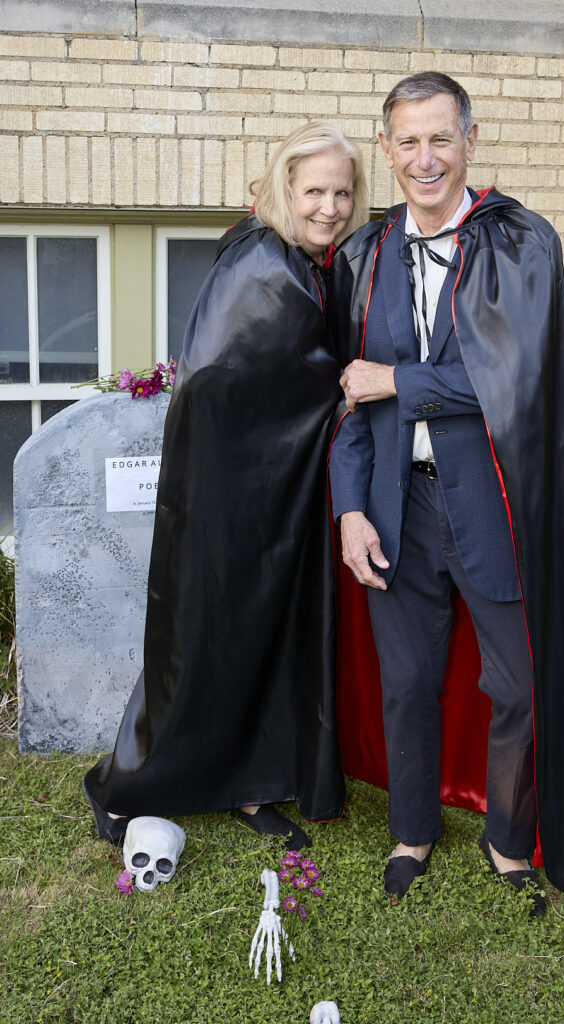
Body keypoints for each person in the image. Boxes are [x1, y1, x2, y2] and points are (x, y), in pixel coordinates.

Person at [328, 73, 564, 910]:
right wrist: (350, 510)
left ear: (470, 141)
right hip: (396, 505)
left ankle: (507, 837)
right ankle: (411, 831)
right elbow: (348, 402)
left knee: (517, 686)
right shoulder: (364, 254)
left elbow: (515, 382)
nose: (425, 159)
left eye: (440, 139)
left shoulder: (521, 243)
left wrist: (397, 380)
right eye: (408, 141)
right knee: (406, 683)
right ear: (387, 150)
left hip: (494, 505)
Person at [83, 122, 369, 851]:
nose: (330, 206)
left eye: (342, 192)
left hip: (276, 491)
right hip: (229, 495)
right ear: (284, 188)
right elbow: (221, 379)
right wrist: (340, 387)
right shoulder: (262, 265)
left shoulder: (306, 261)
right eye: (314, 190)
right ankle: (126, 787)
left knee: (265, 639)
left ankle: (250, 785)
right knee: (202, 644)